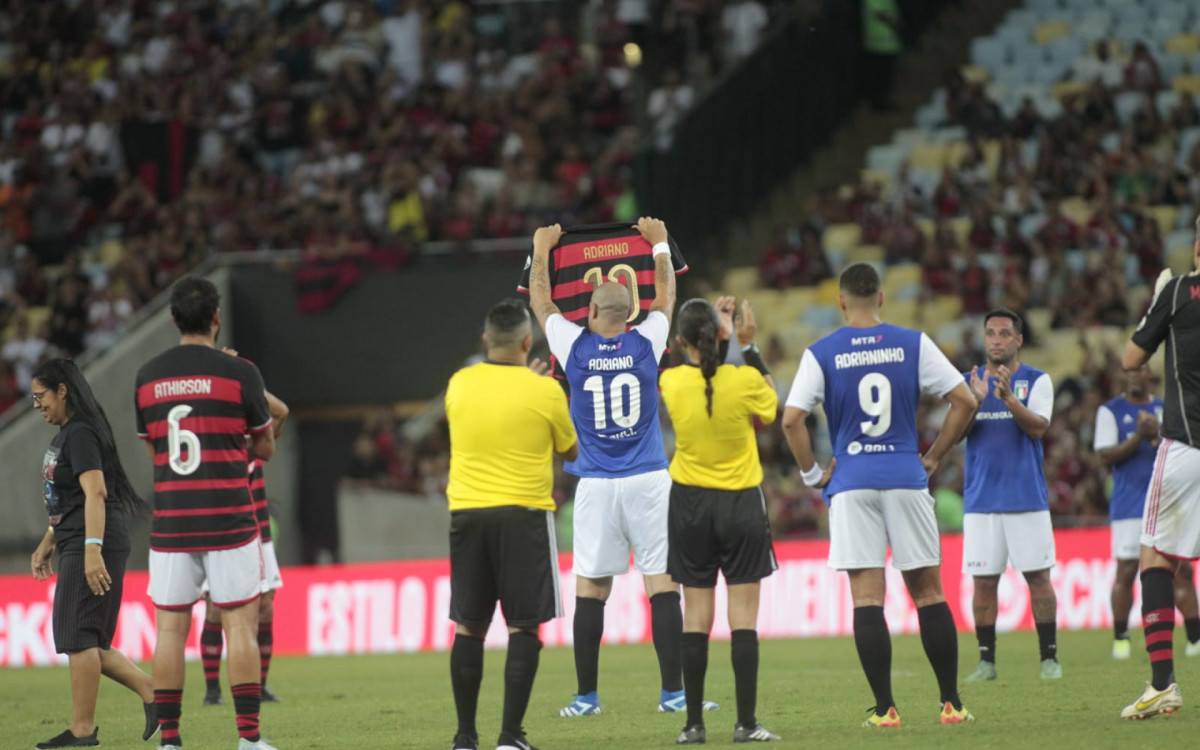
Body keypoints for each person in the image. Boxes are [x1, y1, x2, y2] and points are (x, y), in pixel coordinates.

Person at [781, 262, 977, 728]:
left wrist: (812, 475)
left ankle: (886, 710)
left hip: (851, 481)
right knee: (929, 593)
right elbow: (966, 400)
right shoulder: (913, 343)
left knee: (867, 598)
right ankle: (951, 703)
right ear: (882, 299)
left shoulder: (822, 351)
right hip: (906, 475)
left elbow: (791, 419)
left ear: (841, 301)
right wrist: (933, 456)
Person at [529, 218, 707, 717]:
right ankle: (673, 694)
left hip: (597, 484)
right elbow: (667, 297)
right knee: (661, 583)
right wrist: (660, 247)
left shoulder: (573, 346)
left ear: (588, 310)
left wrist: (541, 248)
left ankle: (586, 698)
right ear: (631, 309)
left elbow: (541, 302)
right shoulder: (648, 340)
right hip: (650, 477)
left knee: (592, 588)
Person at [134, 276, 277, 750]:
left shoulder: (147, 377)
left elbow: (155, 445)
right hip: (231, 519)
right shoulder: (241, 374)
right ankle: (250, 741)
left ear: (174, 319)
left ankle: (171, 742)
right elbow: (264, 447)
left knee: (170, 632)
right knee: (241, 626)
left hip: (172, 522)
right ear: (216, 317)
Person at [444, 298, 578, 750]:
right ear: (528, 341)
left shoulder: (459, 384)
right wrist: (535, 389)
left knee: (469, 625)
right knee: (523, 626)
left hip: (467, 514)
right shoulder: (545, 391)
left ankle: (465, 737)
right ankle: (510, 737)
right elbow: (571, 451)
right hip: (524, 514)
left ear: (485, 340)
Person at [660, 296, 781, 744]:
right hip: (740, 504)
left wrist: (719, 334)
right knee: (743, 617)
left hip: (689, 505)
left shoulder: (671, 383)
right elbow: (772, 407)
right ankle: (746, 724)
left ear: (680, 341)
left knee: (696, 616)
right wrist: (745, 345)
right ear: (720, 337)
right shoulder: (744, 378)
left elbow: (688, 365)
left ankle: (693, 725)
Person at [29, 358, 157, 749]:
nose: (37, 405)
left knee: (79, 636)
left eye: (41, 397)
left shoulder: (81, 433)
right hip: (77, 538)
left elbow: (96, 494)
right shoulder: (70, 434)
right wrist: (49, 540)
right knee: (86, 637)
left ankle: (82, 731)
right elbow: (70, 499)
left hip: (92, 540)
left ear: (62, 390)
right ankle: (154, 694)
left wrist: (92, 550)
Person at [1117, 219, 1200, 719]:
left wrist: (1156, 306)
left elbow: (1132, 359)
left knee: (1155, 562)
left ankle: (1163, 684)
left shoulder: (1178, 291)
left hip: (1187, 444)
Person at [960, 309, 1061, 682]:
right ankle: (986, 662)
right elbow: (954, 435)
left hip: (1026, 497)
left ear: (1018, 340)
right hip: (981, 500)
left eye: (1004, 333)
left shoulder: (1037, 381)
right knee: (983, 583)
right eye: (990, 333)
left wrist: (1008, 400)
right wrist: (973, 402)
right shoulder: (968, 382)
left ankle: (1049, 658)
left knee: (1038, 578)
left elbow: (1038, 429)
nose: (996, 340)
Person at [1095, 366, 1200, 661]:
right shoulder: (1110, 411)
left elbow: (1181, 449)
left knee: (1181, 570)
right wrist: (1139, 436)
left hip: (1168, 502)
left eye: (1138, 370)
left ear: (1148, 376)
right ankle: (1121, 639)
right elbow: (1104, 455)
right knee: (1127, 571)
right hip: (1128, 504)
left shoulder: (1165, 408)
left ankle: (1194, 638)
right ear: (1122, 377)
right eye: (1127, 371)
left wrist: (1156, 437)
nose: (1132, 375)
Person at [201, 382, 291, 706]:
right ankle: (212, 691)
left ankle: (261, 686)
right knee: (214, 608)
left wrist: (244, 381)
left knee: (266, 608)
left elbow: (281, 411)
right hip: (222, 529)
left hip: (259, 530)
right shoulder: (210, 440)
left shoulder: (251, 443)